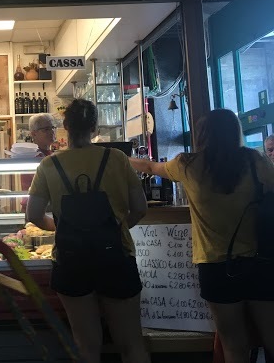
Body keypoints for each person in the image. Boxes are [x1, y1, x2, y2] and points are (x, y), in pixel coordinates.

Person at [130, 109, 274, 363]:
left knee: (233, 345)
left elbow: (151, 166)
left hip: (215, 267)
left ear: (203, 134)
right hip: (260, 263)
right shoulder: (255, 161)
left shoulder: (188, 164)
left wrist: (119, 159)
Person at [26, 99, 150, 363]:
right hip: (116, 256)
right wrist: (115, 227)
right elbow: (140, 208)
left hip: (71, 261)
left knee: (86, 347)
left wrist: (61, 228)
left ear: (65, 127)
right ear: (94, 127)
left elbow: (33, 216)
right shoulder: (116, 158)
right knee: (131, 345)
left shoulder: (49, 165)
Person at [20, 113, 56, 211]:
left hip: (49, 206)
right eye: (46, 129)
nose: (52, 132)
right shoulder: (32, 156)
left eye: (53, 128)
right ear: (34, 134)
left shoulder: (51, 154)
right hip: (35, 207)